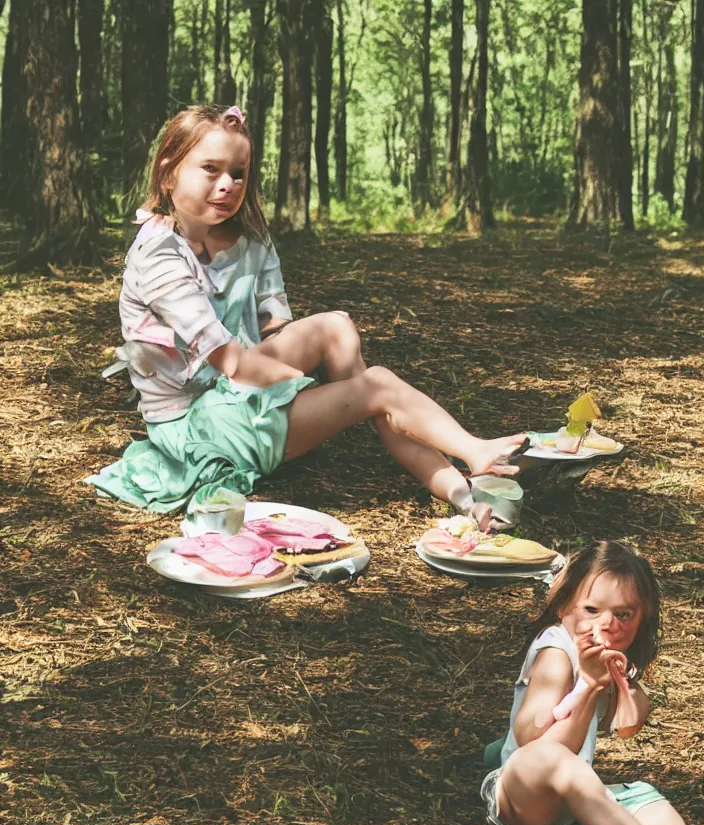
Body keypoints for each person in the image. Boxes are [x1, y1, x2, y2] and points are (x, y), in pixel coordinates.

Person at [86, 104, 525, 516]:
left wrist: (306, 382)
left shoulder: (251, 240)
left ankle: (454, 484)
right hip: (198, 429)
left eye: (238, 173)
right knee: (377, 386)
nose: (228, 185)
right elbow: (231, 361)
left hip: (234, 393)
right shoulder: (159, 255)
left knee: (337, 328)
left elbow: (277, 328)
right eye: (210, 169)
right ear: (168, 172)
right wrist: (301, 386)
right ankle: (465, 459)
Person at [481, 541, 704, 825]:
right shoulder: (556, 651)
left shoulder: (611, 659)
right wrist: (590, 685)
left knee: (644, 797)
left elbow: (629, 725)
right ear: (564, 605)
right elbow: (533, 741)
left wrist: (621, 682)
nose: (607, 625)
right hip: (522, 795)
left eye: (624, 614)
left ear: (643, 618)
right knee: (559, 762)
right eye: (592, 609)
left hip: (574, 802)